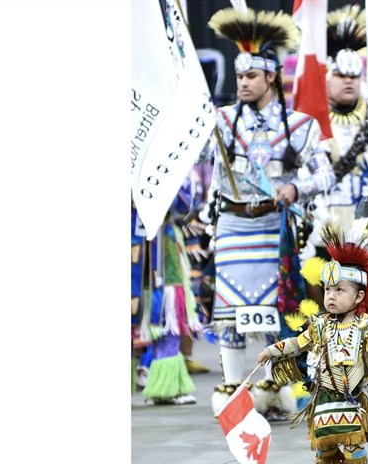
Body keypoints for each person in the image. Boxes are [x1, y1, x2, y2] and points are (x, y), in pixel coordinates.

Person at [203, 6, 335, 421]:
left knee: (273, 311)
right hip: (232, 227)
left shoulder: (300, 125)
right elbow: (204, 164)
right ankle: (232, 392)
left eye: (251, 77)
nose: (242, 83)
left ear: (271, 78)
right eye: (240, 77)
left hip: (273, 229)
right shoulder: (221, 121)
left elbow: (325, 172)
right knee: (230, 314)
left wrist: (296, 186)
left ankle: (274, 387)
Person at [256, 205, 368, 464]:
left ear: (359, 296)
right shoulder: (319, 325)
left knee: (352, 437)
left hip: (354, 394)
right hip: (325, 392)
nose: (331, 296)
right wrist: (272, 351)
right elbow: (296, 344)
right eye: (328, 290)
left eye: (340, 290)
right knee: (324, 438)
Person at [305, 4, 368, 305]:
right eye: (341, 76)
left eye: (354, 76)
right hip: (327, 222)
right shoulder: (312, 123)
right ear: (327, 78)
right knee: (329, 298)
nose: (348, 81)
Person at [131, 176, 201, 405]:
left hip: (162, 240)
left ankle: (166, 384)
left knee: (167, 307)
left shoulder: (167, 154)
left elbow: (185, 204)